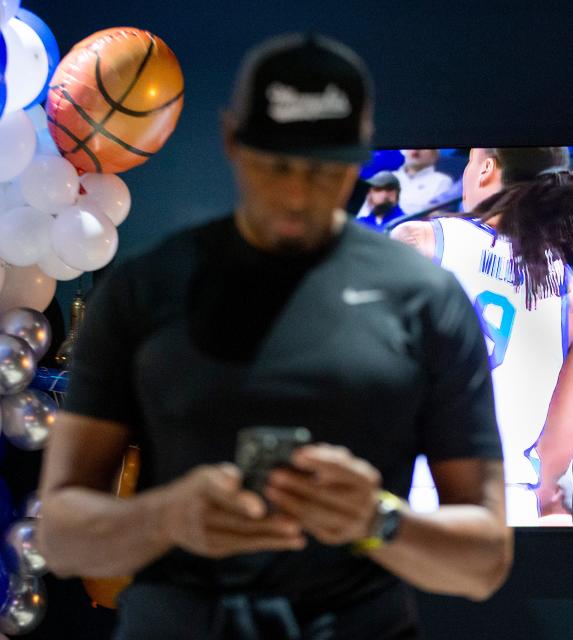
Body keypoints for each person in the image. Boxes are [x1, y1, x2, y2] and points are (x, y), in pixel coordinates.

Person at [37, 33, 511, 640]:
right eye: (277, 164)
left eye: (323, 170)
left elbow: (485, 560)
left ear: (359, 155)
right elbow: (62, 536)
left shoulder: (424, 300)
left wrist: (377, 519)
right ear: (233, 141)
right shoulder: (147, 290)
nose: (296, 193)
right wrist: (169, 517)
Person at [391, 147, 573, 525]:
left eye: (470, 162)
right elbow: (559, 450)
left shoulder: (420, 241)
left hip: (412, 491)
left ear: (486, 170)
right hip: (509, 506)